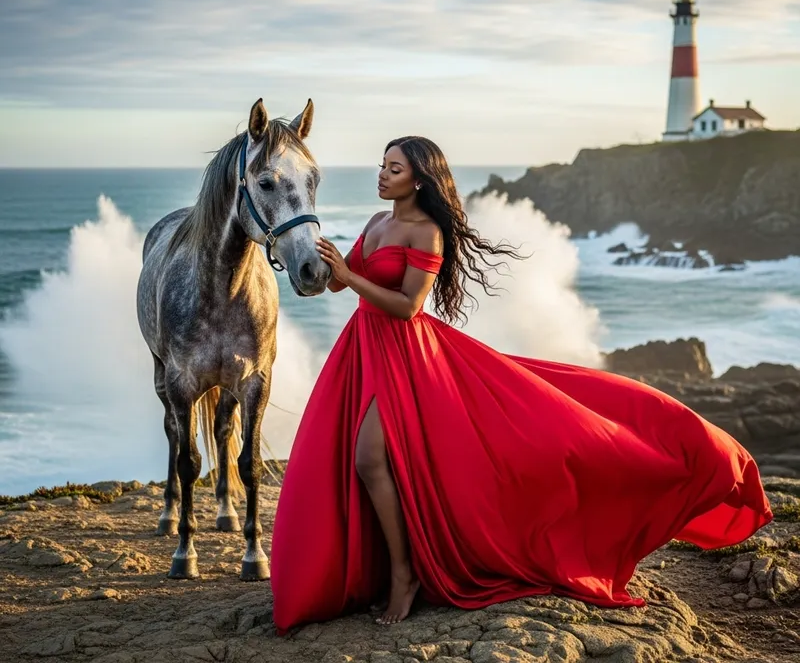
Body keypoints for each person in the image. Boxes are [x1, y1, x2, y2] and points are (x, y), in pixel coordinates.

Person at [270, 136, 773, 632]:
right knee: (363, 460)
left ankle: (404, 576)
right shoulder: (378, 221)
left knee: (369, 459)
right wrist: (323, 263)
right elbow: (342, 280)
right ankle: (387, 569)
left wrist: (352, 279)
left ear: (419, 180)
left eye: (394, 168)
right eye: (382, 165)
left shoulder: (426, 232)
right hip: (362, 349)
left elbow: (407, 306)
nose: (381, 174)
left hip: (406, 356)